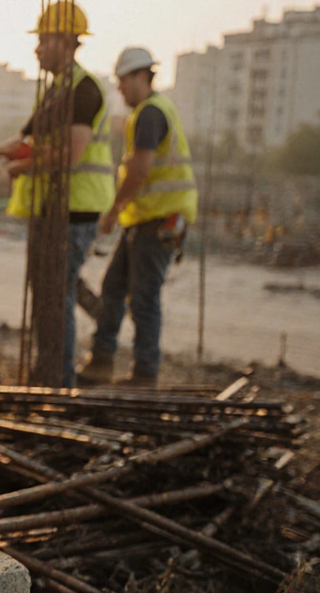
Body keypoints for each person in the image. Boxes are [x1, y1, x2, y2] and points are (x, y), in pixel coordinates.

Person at [0, 1, 114, 388]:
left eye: (44, 40)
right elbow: (26, 138)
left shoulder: (83, 90)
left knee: (55, 296)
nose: (37, 49)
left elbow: (72, 155)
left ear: (65, 41)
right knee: (44, 295)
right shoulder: (56, 90)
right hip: (51, 208)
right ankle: (49, 372)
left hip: (73, 210)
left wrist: (23, 166)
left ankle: (58, 380)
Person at [77, 47, 197, 388]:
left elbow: (141, 168)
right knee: (114, 289)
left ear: (141, 76)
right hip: (147, 219)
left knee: (143, 297)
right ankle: (101, 360)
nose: (119, 89)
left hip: (160, 219)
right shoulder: (151, 111)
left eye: (122, 81)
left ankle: (145, 373)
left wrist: (113, 211)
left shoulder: (150, 114)